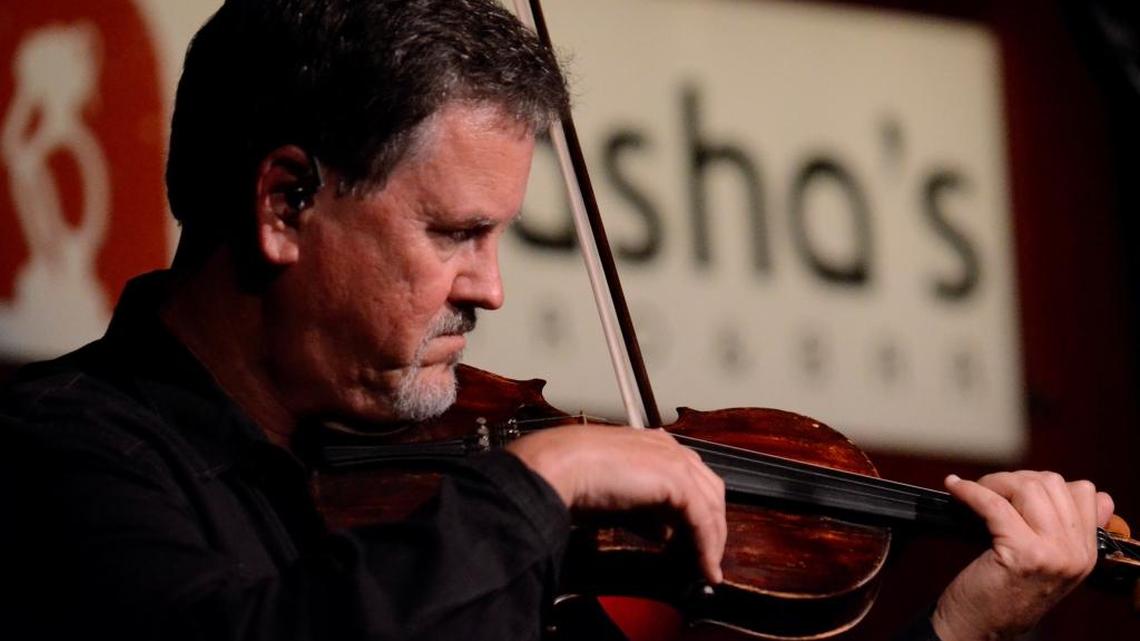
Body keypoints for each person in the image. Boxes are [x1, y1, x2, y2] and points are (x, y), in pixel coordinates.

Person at [0, 1, 1113, 640]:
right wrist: (541, 483)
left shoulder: (461, 512)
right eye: (454, 233)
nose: (491, 289)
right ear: (286, 202)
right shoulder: (60, 452)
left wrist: (957, 632)